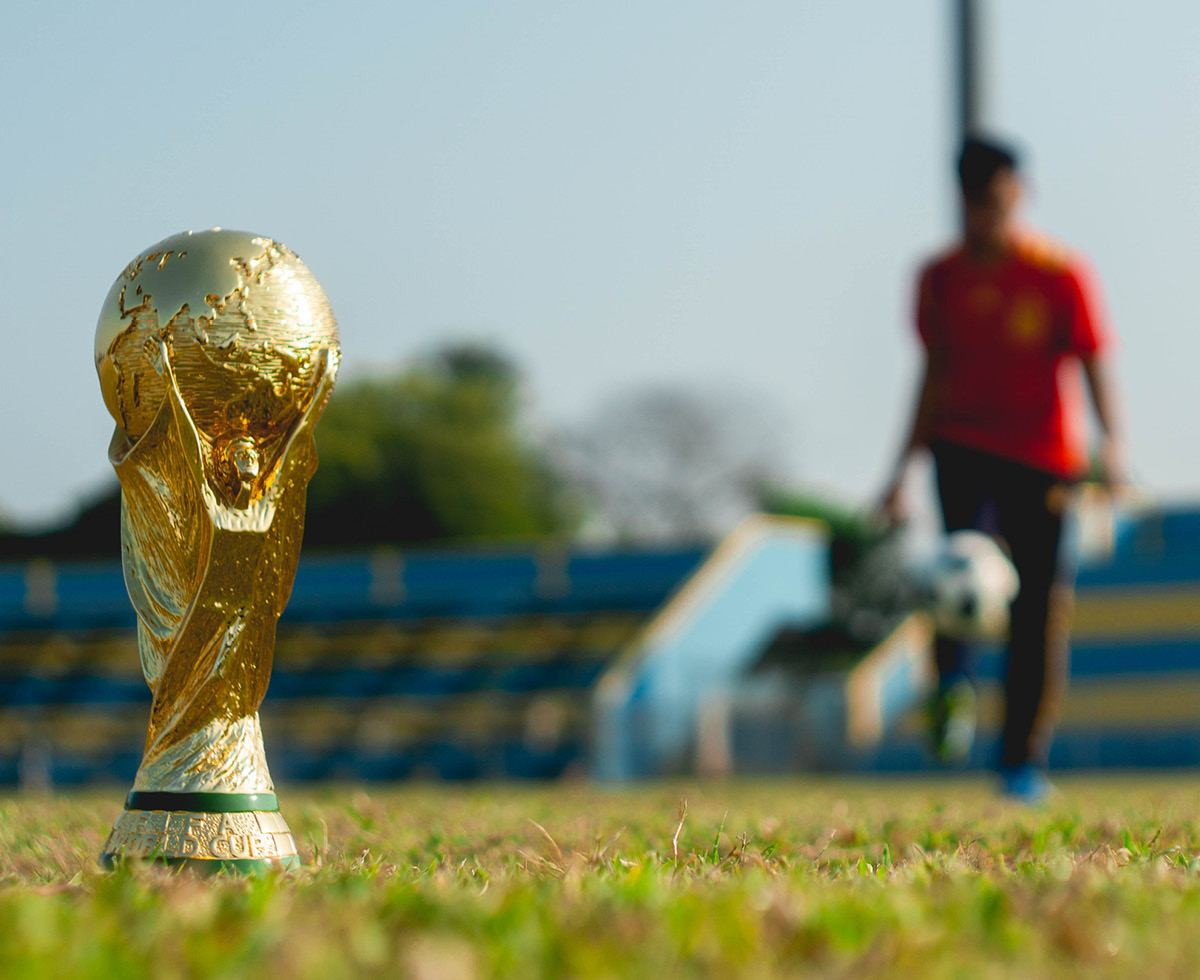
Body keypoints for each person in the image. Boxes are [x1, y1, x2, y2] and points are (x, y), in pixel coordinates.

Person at [879, 134, 1128, 802]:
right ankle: (952, 686)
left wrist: (1113, 448)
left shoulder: (1059, 274)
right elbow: (931, 375)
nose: (985, 213)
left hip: (1044, 462)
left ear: (1018, 193)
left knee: (1038, 611)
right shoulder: (939, 278)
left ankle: (1021, 762)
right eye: (972, 201)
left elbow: (1093, 359)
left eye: (995, 199)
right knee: (958, 571)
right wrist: (900, 473)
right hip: (962, 448)